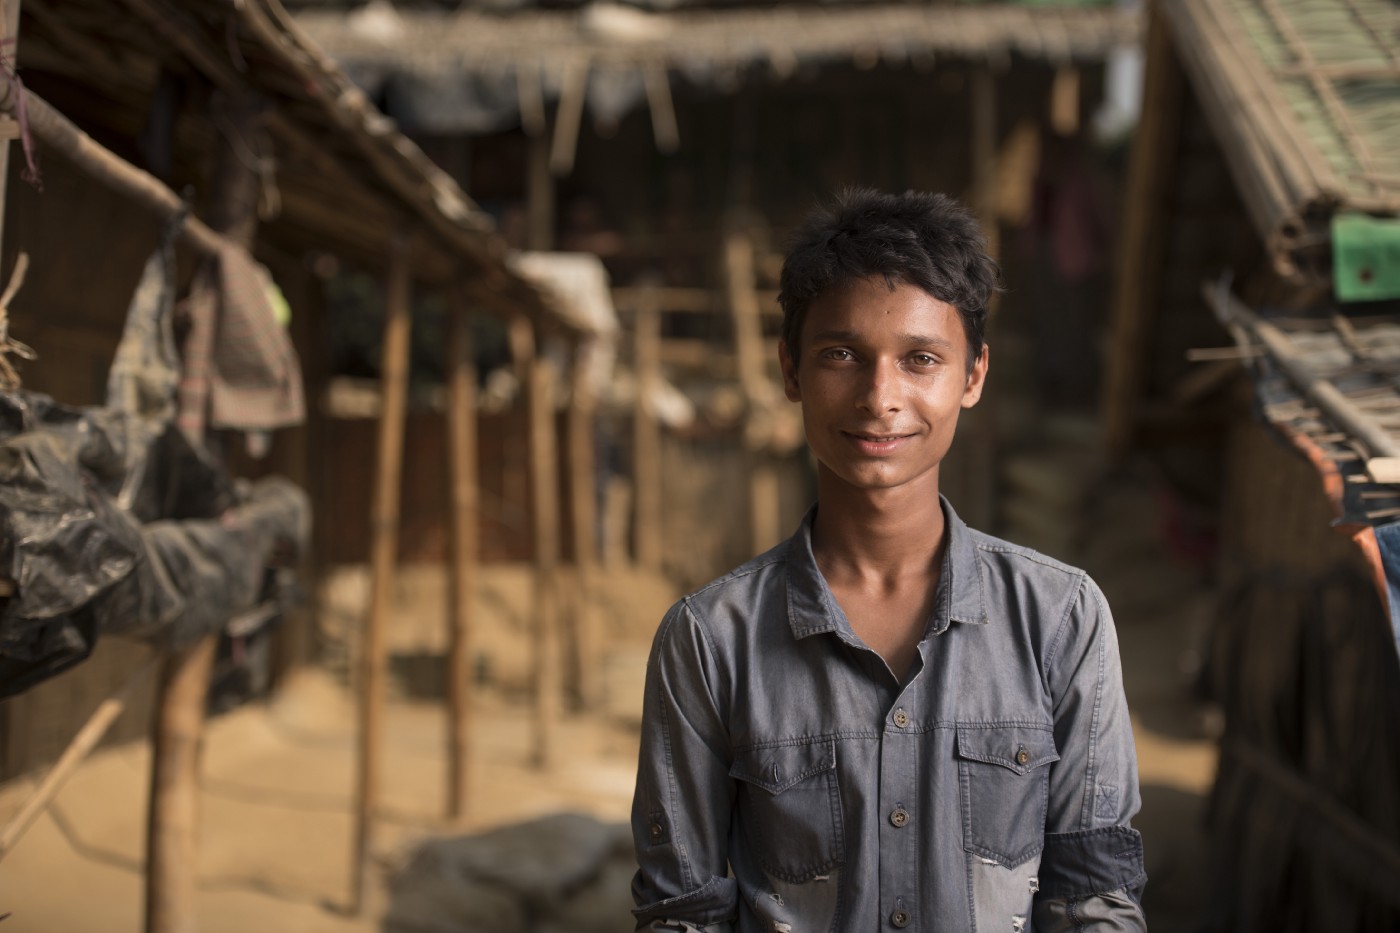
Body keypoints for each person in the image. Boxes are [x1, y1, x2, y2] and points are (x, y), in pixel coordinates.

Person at [630, 189, 1146, 932]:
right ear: (790, 369)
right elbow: (682, 913)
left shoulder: (1061, 619)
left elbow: (1095, 900)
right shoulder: (710, 640)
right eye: (841, 354)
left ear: (971, 376)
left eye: (920, 359)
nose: (881, 397)